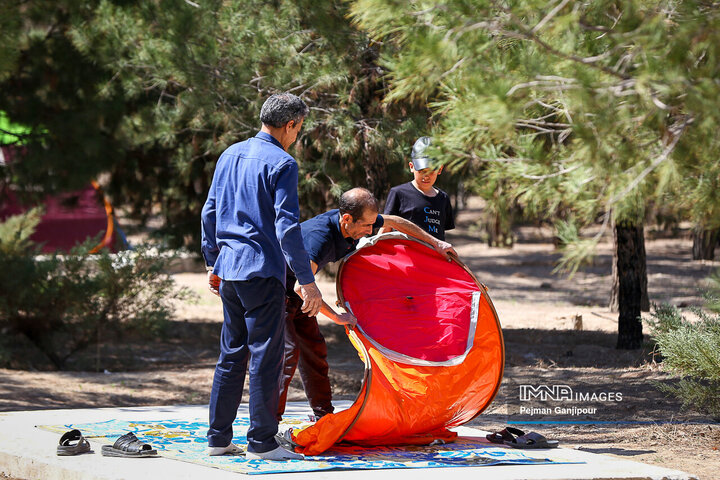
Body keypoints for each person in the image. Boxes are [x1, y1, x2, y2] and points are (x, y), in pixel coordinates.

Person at [200, 92, 322, 460]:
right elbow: (287, 227)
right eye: (299, 129)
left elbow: (209, 211)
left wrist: (211, 261)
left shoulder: (229, 154)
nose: (297, 135)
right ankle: (262, 443)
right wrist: (307, 279)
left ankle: (218, 439)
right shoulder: (283, 163)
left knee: (230, 356)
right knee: (266, 356)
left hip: (230, 271)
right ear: (291, 125)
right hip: (262, 271)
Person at [277, 187, 456, 422]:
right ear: (347, 219)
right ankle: (269, 421)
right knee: (287, 354)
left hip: (299, 291)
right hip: (277, 289)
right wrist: (338, 317)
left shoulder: (356, 221)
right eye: (366, 226)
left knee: (315, 350)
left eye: (373, 224)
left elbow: (395, 221)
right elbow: (303, 287)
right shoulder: (318, 238)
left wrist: (436, 243)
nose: (371, 231)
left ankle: (324, 416)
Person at [381, 136, 455, 240]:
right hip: (407, 254)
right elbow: (385, 228)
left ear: (440, 169)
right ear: (411, 167)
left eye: (431, 171)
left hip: (433, 254)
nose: (426, 176)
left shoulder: (443, 198)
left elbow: (442, 234)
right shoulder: (398, 193)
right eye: (421, 171)